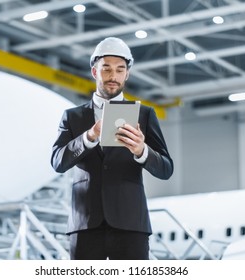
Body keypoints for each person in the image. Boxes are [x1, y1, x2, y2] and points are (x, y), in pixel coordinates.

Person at [51, 37, 174, 260]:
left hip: (130, 225)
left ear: (127, 74)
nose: (113, 76)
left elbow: (166, 169)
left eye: (120, 70)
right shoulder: (73, 117)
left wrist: (141, 150)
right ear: (94, 71)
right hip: (85, 225)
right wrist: (89, 136)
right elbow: (58, 162)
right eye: (106, 68)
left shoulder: (144, 115)